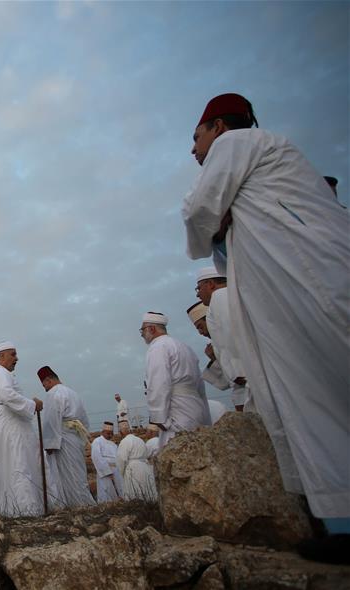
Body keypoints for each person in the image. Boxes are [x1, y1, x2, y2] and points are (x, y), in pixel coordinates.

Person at [182, 93, 349, 541]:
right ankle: (337, 521)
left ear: (218, 126)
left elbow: (199, 210)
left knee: (330, 379)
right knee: (313, 391)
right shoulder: (259, 157)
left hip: (310, 277)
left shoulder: (237, 145)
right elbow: (219, 238)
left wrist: (213, 220)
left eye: (196, 138)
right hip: (294, 285)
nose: (194, 149)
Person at [0, 341, 44, 517]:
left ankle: (12, 509)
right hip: (10, 426)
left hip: (6, 424)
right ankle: (26, 510)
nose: (16, 358)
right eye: (13, 354)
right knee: (19, 464)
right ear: (1, 356)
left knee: (13, 465)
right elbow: (7, 395)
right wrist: (33, 405)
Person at [141, 311, 211, 447]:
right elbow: (199, 384)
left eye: (142, 330)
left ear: (152, 329)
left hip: (177, 411)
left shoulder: (158, 347)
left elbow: (158, 383)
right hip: (195, 407)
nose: (142, 334)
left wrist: (158, 418)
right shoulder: (185, 347)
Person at [38, 366, 96, 508]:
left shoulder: (53, 393)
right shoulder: (73, 393)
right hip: (75, 438)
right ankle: (83, 503)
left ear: (49, 380)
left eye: (44, 384)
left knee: (69, 475)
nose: (44, 387)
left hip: (63, 440)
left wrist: (49, 444)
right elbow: (84, 420)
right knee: (79, 474)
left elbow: (51, 420)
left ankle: (80, 505)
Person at [195, 267, 247, 411]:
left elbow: (233, 335)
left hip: (246, 381)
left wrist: (240, 372)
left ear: (210, 284)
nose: (198, 294)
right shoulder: (229, 295)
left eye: (198, 288)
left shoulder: (220, 297)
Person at [116, 423, 157, 501]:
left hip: (132, 469)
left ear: (121, 432)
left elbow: (121, 459)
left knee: (134, 492)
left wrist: (122, 473)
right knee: (146, 490)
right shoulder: (140, 440)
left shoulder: (125, 442)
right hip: (145, 468)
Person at [91, 422, 122, 503]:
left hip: (116, 470)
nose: (110, 435)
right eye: (108, 433)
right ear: (103, 432)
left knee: (119, 488)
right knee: (106, 489)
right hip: (105, 471)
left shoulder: (114, 444)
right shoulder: (97, 441)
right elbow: (96, 457)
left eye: (111, 434)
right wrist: (107, 471)